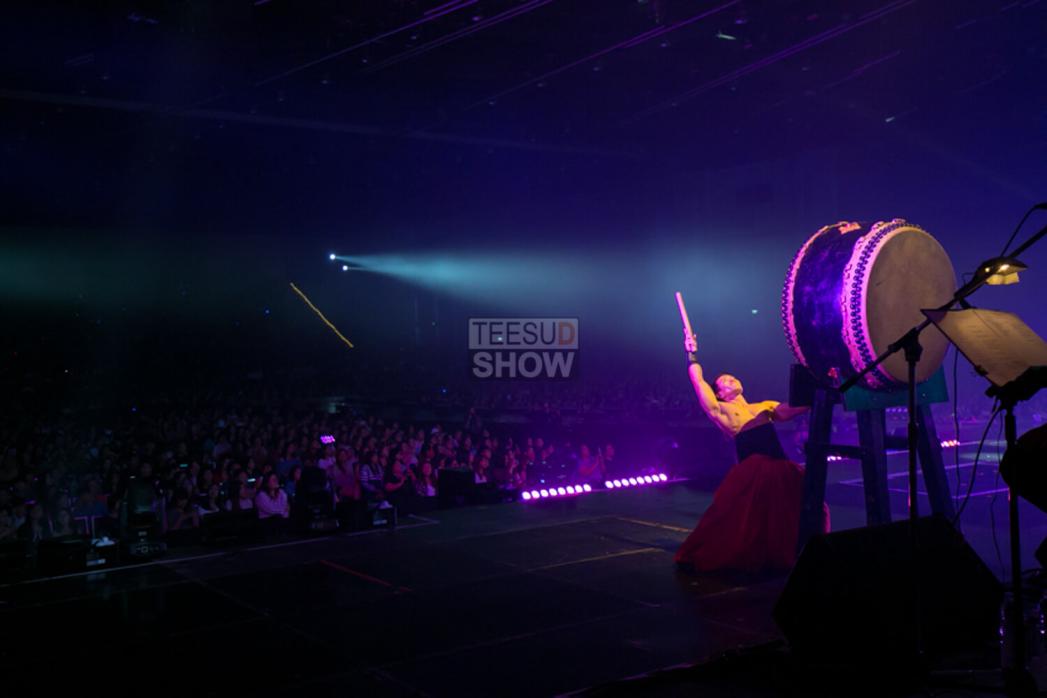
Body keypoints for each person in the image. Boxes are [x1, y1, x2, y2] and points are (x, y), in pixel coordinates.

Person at [674, 332, 820, 573]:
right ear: (720, 393)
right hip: (754, 471)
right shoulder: (720, 409)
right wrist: (692, 353)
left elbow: (796, 408)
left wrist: (823, 384)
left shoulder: (764, 406)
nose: (731, 378)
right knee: (748, 521)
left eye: (732, 376)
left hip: (781, 467)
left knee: (796, 511)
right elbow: (699, 382)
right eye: (725, 380)